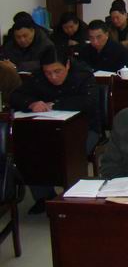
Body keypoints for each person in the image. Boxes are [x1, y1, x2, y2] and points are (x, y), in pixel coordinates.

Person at [10, 47, 99, 213]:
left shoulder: (83, 75)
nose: (53, 77)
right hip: (47, 130)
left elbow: (89, 101)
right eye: (48, 72)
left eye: (57, 71)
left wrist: (55, 104)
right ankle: (44, 197)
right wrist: (31, 103)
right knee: (30, 149)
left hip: (85, 130)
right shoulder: (38, 78)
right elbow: (15, 96)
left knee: (69, 152)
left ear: (67, 65)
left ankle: (73, 198)